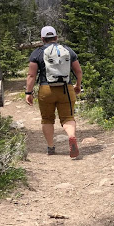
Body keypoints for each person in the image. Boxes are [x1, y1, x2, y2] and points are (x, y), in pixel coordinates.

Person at [25, 26, 83, 158]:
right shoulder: (67, 50)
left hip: (46, 90)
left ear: (42, 39)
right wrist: (78, 85)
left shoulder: (37, 53)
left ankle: (51, 147)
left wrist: (28, 93)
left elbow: (31, 75)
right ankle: (71, 136)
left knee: (47, 119)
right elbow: (78, 71)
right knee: (68, 117)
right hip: (66, 89)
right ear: (56, 38)